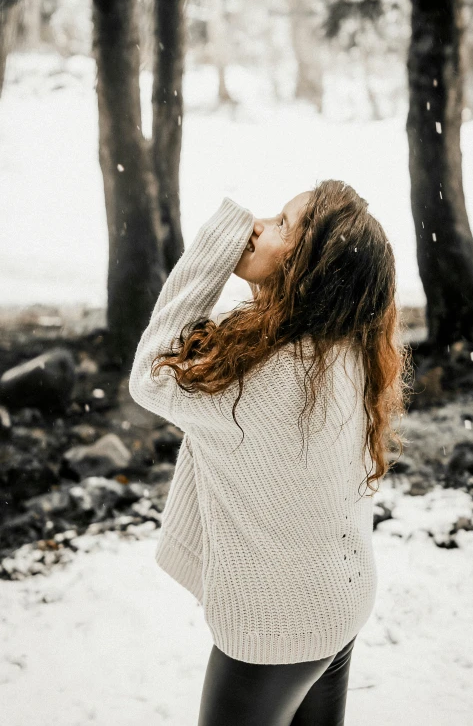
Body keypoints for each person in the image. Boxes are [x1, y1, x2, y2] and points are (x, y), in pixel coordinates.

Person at [129, 178, 410, 725]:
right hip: (339, 600)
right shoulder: (341, 349)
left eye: (283, 224)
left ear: (311, 268)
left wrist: (219, 238)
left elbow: (151, 375)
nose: (258, 225)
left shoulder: (263, 380)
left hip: (278, 625)